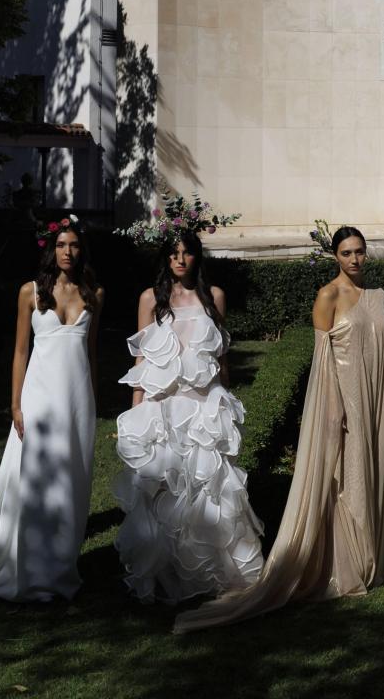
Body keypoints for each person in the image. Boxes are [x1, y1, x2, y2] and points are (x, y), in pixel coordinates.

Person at [178, 227, 384, 628]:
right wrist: (335, 409)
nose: (355, 259)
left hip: (376, 401)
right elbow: (323, 363)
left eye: (359, 252)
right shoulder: (327, 296)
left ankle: (373, 554)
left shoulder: (380, 297)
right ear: (335, 256)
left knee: (373, 469)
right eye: (346, 253)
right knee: (345, 476)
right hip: (345, 400)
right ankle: (346, 562)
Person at [114, 222, 264, 604]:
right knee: (164, 490)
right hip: (162, 409)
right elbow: (142, 360)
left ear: (197, 256)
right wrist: (135, 415)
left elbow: (221, 358)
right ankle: (167, 576)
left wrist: (224, 404)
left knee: (209, 491)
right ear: (166, 258)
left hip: (202, 408)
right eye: (174, 253)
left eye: (187, 252)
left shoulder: (214, 296)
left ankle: (212, 573)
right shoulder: (150, 299)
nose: (180, 259)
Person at [0, 217, 102, 602]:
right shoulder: (30, 292)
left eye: (74, 245)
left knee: (71, 479)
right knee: (34, 475)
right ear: (51, 250)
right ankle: (28, 566)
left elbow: (91, 354)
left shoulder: (94, 294)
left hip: (77, 400)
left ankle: (60, 563)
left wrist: (93, 400)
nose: (68, 252)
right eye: (61, 245)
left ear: (82, 250)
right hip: (38, 397)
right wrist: (15, 404)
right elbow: (20, 351)